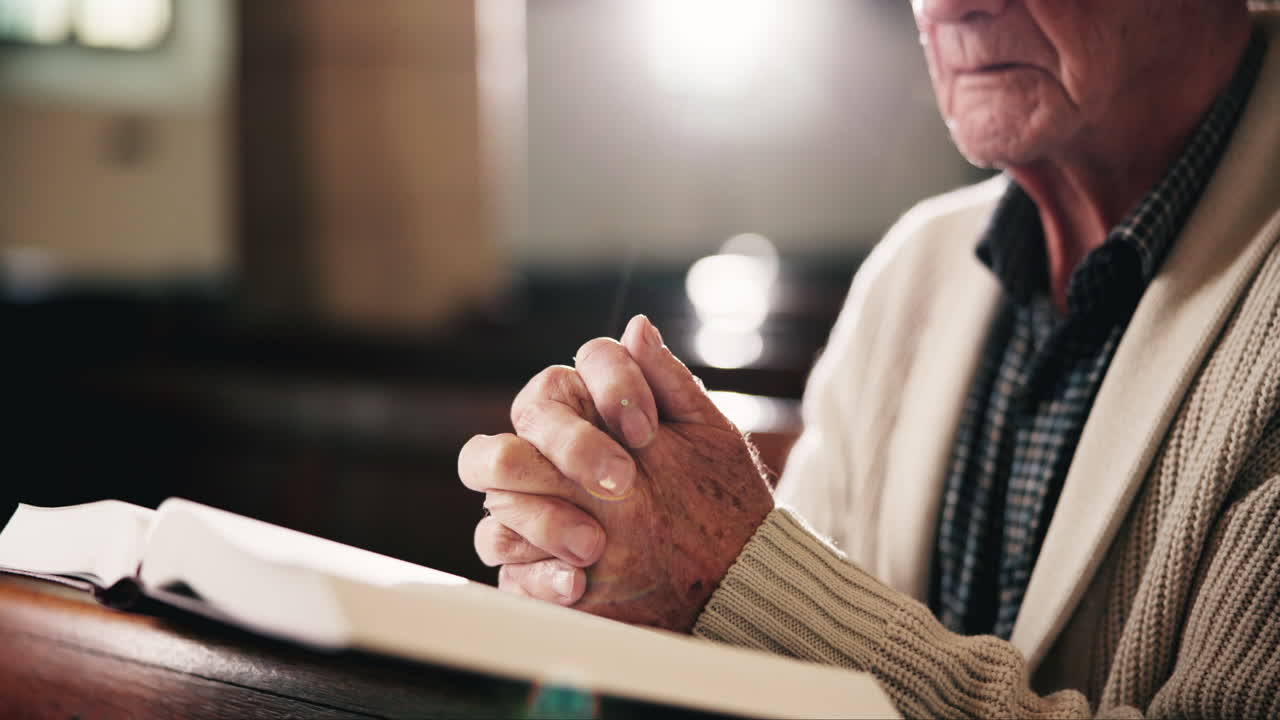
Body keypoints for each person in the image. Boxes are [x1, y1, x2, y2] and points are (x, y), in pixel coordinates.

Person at [458, 1, 1280, 716]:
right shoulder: (913, 267)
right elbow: (751, 661)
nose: (949, 5)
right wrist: (617, 578)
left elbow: (758, 599)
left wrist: (732, 577)